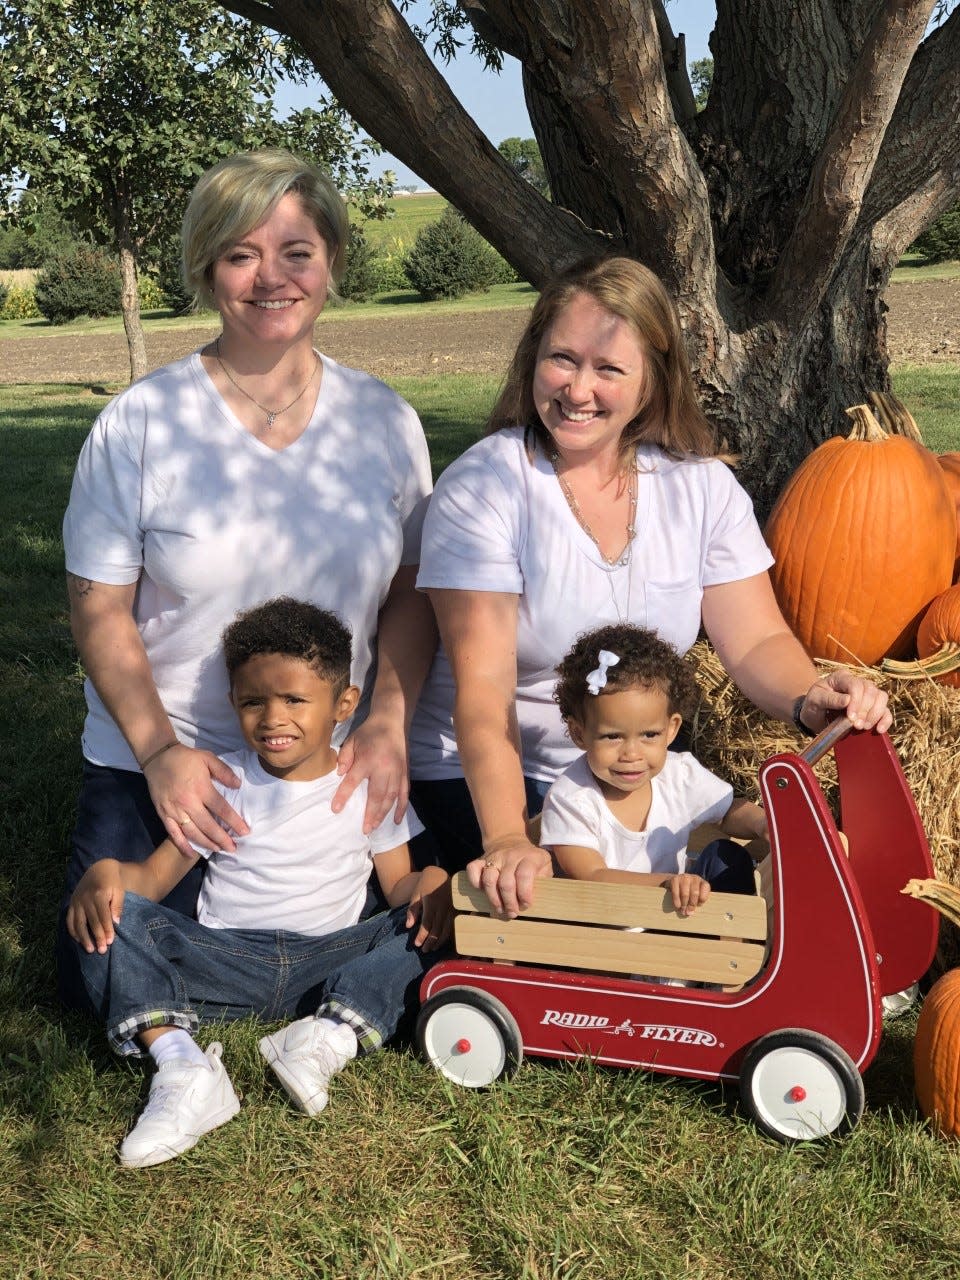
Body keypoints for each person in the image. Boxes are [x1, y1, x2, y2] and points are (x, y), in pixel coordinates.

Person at [59, 150, 436, 1000]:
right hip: (176, 758)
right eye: (241, 254)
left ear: (331, 262)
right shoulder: (142, 423)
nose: (272, 277)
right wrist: (158, 753)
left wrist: (382, 723)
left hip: (325, 759)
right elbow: (100, 608)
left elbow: (413, 588)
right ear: (207, 270)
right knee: (97, 966)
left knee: (430, 942)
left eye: (296, 252)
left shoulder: (382, 420)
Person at [407, 255, 890, 916]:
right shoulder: (486, 486)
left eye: (608, 369)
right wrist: (510, 838)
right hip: (494, 777)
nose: (578, 390)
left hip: (631, 770)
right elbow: (484, 691)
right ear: (532, 361)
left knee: (720, 884)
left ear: (652, 384)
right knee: (592, 913)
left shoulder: (700, 488)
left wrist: (813, 699)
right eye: (562, 360)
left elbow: (754, 642)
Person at [66, 598, 451, 1169]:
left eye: (295, 699)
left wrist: (435, 880)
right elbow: (150, 879)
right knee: (110, 922)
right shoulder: (221, 780)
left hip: (330, 961)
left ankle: (328, 1036)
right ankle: (182, 1066)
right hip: (227, 961)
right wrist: (106, 873)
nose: (273, 719)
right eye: (253, 702)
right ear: (233, 703)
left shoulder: (367, 784)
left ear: (344, 703)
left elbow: (399, 888)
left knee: (431, 929)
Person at [541, 623, 767, 914]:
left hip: (675, 918)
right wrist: (666, 883)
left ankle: (734, 945)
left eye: (649, 735)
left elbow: (728, 812)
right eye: (613, 736)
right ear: (579, 733)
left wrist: (763, 824)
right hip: (605, 931)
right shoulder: (571, 797)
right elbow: (591, 876)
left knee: (725, 856)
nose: (632, 754)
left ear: (671, 729)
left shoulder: (679, 773)